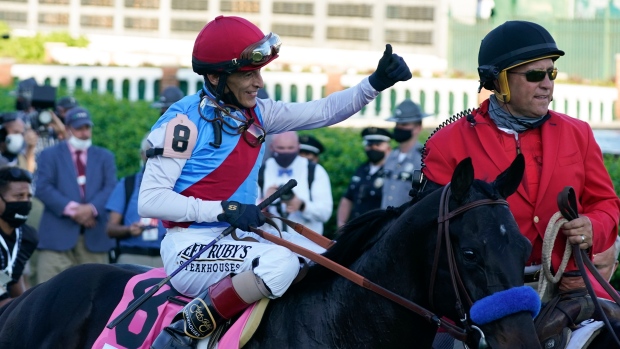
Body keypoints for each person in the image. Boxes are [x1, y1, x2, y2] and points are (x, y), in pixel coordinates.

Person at [137, 15, 411, 348]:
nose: (258, 82)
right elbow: (150, 201)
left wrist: (375, 83)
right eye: (248, 73)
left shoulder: (258, 113)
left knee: (335, 259)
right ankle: (183, 331)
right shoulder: (182, 123)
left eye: (259, 72)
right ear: (214, 76)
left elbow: (323, 111)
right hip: (189, 248)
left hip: (237, 240)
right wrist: (225, 210)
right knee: (281, 263)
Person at [420, 20, 620, 300]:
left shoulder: (579, 133)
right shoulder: (445, 144)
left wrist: (593, 227)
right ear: (498, 80)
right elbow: (427, 233)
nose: (547, 85)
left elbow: (606, 204)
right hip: (481, 294)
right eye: (536, 74)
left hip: (570, 286)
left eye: (552, 73)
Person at [35, 107, 117, 284]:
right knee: (49, 292)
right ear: (67, 129)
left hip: (94, 237)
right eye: (79, 128)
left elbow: (111, 187)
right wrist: (75, 211)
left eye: (87, 128)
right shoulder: (49, 155)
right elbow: (42, 187)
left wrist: (91, 209)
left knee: (95, 291)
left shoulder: (105, 156)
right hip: (57, 238)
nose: (84, 133)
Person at [105, 134, 165, 267]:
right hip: (132, 257)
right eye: (151, 152)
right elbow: (110, 229)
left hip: (166, 259)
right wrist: (129, 229)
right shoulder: (128, 184)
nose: (155, 157)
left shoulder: (177, 185)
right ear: (142, 155)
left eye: (160, 153)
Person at [260, 131, 332, 235]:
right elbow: (246, 212)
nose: (285, 152)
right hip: (269, 243)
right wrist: (264, 202)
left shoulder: (315, 171)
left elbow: (325, 214)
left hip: (305, 244)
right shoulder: (260, 170)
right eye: (281, 148)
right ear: (271, 147)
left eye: (290, 148)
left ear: (298, 147)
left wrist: (302, 206)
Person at [337, 127, 391, 227]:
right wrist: (341, 224)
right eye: (370, 145)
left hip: (378, 230)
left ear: (388, 148)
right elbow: (348, 198)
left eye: (378, 145)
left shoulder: (392, 173)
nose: (373, 148)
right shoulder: (361, 169)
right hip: (356, 228)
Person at [381, 99, 431, 209]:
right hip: (385, 223)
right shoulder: (390, 156)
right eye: (397, 124)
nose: (399, 128)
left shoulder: (423, 159)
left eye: (404, 124)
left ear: (417, 128)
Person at [0, 166, 38, 308]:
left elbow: (14, 277)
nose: (25, 202)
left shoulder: (28, 237)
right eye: (18, 196)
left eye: (28, 196)